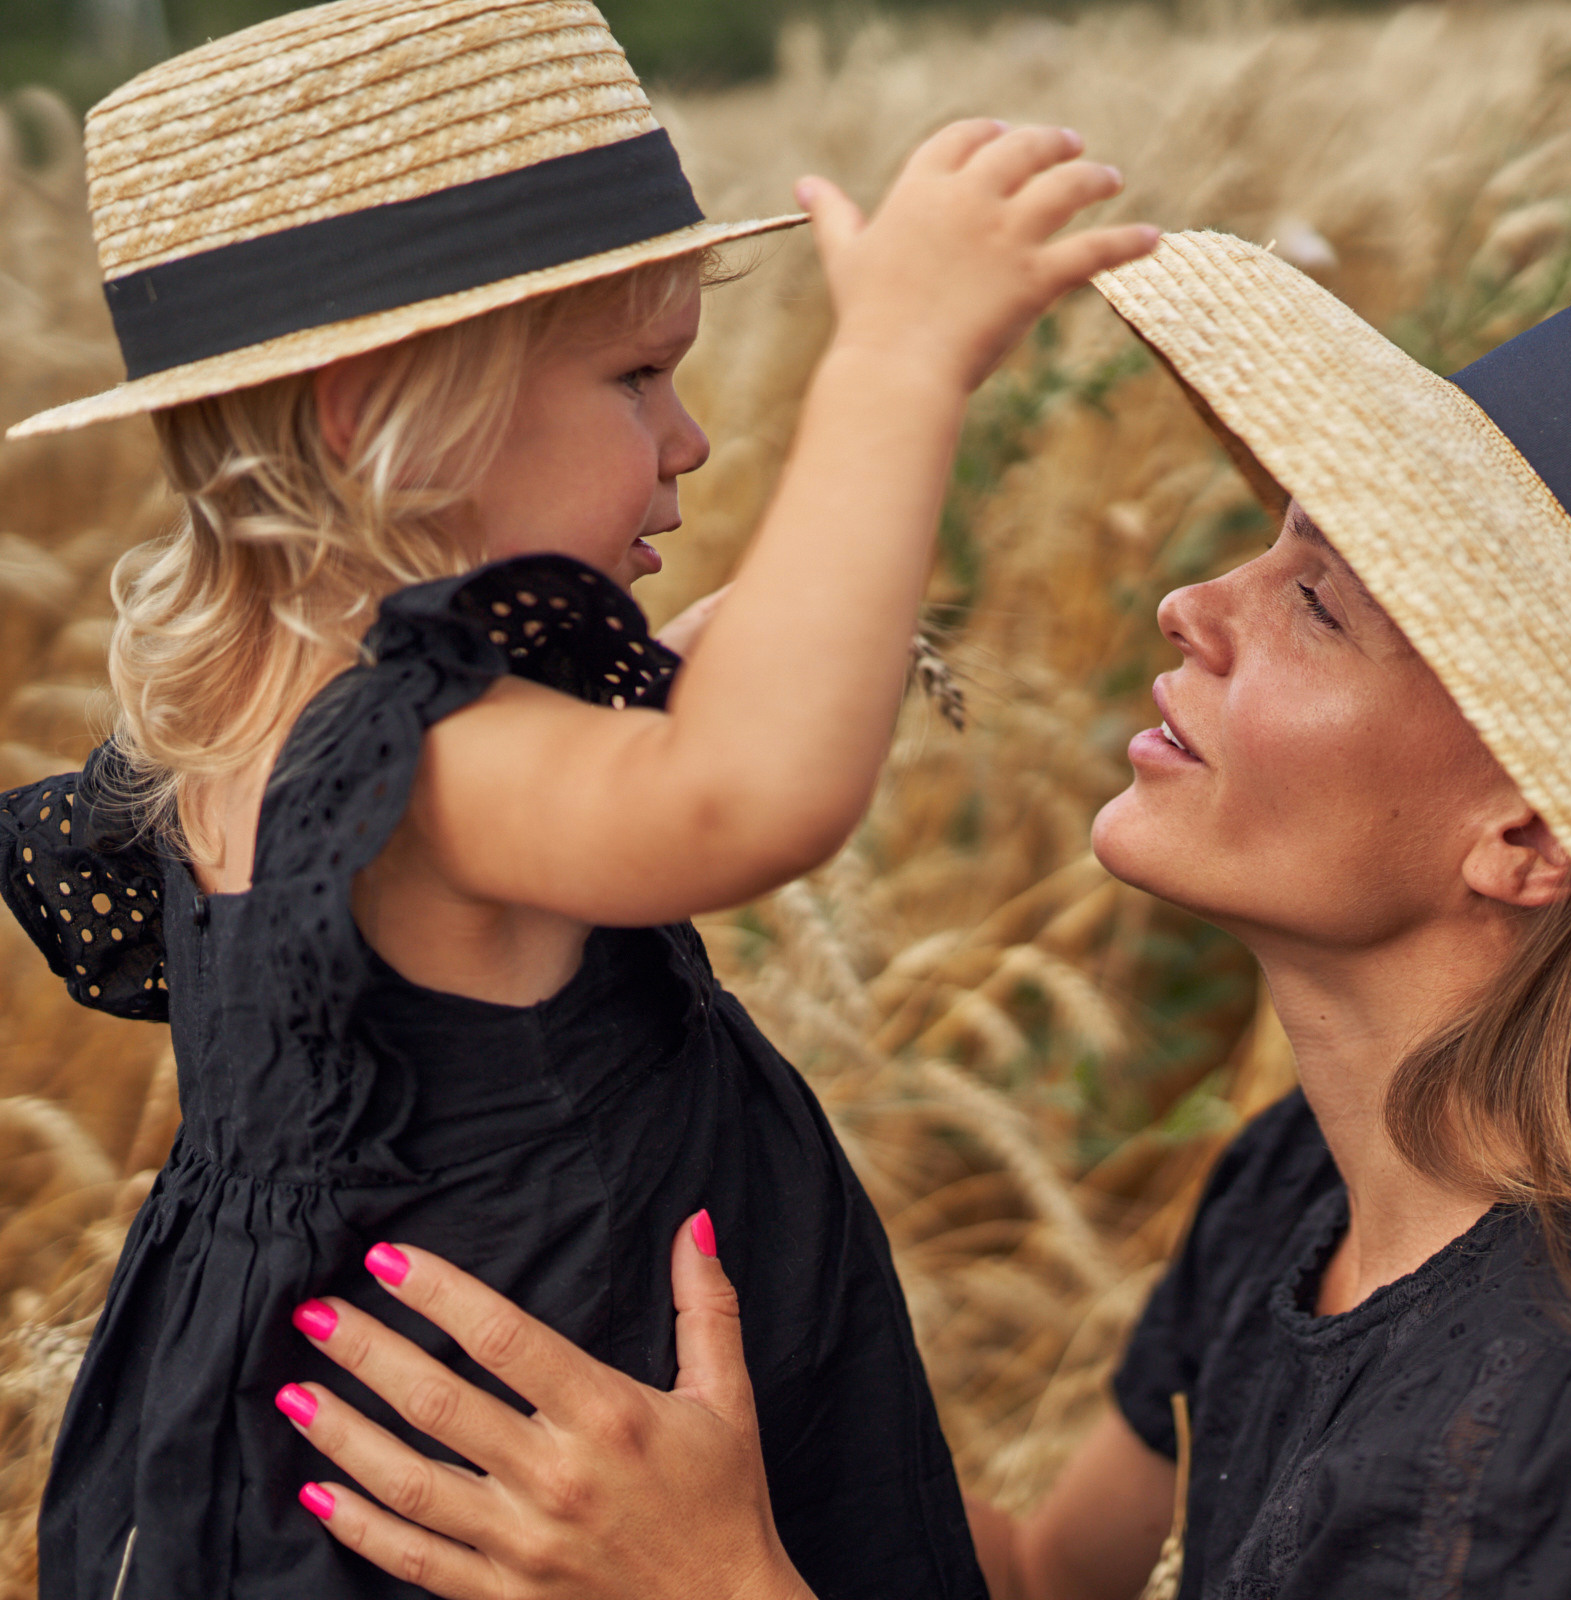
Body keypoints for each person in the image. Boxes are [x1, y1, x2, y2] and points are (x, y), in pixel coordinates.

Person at [274, 235, 1571, 1600]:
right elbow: (1039, 1581)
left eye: (1321, 603)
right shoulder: (1317, 1188)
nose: (1195, 604)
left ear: (1531, 833)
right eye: (1271, 548)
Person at [0, 1, 1156, 1595]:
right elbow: (744, 794)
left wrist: (779, 621)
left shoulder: (267, 724)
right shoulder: (436, 764)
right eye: (636, 376)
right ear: (379, 419)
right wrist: (898, 360)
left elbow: (663, 723)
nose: (690, 441)